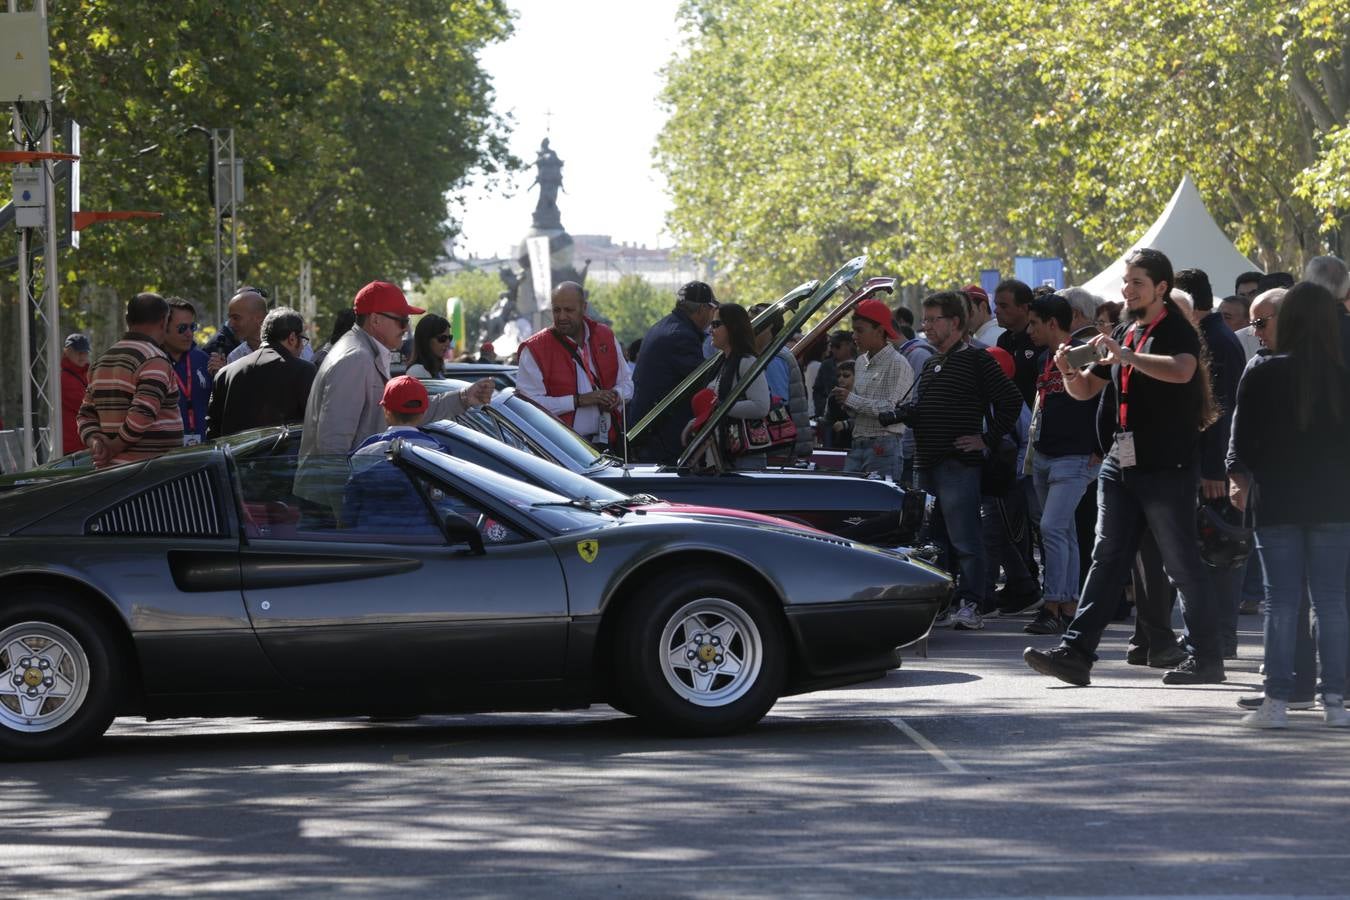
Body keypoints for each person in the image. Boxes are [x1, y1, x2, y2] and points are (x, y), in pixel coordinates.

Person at [1023, 248, 1225, 686]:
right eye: (1126, 281)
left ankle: (1206, 656)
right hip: (1120, 462)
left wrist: (1126, 356)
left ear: (1161, 288)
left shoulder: (1174, 328)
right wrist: (1068, 372)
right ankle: (1076, 653)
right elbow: (1086, 391)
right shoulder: (1123, 329)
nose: (1127, 289)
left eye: (1137, 282)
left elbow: (1183, 371)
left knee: (1181, 565)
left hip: (1166, 465)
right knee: (1107, 557)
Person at [1231, 282, 1350, 728]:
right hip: (1334, 501)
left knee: (1280, 602)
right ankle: (1334, 699)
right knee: (1331, 602)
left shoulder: (1263, 371)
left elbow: (1244, 444)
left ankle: (1277, 701)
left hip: (1278, 498)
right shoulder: (1342, 375)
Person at [295, 281, 494, 514]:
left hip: (340, 501)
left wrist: (464, 397)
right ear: (375, 320)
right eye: (401, 320)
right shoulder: (356, 358)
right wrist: (344, 511)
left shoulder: (362, 351)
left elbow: (406, 412)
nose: (407, 328)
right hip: (331, 506)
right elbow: (333, 444)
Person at [904, 290, 1023, 630]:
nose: (927, 326)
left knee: (966, 539)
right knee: (934, 540)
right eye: (924, 320)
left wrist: (985, 439)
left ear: (954, 322)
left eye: (933, 320)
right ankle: (943, 603)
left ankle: (973, 603)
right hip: (926, 463)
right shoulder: (931, 364)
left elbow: (1011, 400)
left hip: (958, 465)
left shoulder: (977, 359)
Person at [1023, 294, 1100, 636]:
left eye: (1034, 323)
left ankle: (1052, 604)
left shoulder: (1084, 351)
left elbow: (1104, 396)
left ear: (1052, 323)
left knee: (1052, 528)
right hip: (1045, 454)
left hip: (1075, 456)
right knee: (1063, 531)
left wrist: (1100, 446)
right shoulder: (1044, 358)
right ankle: (1068, 605)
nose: (1029, 330)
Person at [517, 282, 633, 447]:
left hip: (609, 442)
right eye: (556, 310)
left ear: (584, 308)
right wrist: (578, 400)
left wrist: (616, 395)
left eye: (569, 310)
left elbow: (628, 383)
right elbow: (527, 405)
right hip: (561, 449)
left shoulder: (605, 335)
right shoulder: (534, 348)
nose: (562, 317)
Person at [76, 292, 183, 467]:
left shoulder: (102, 361)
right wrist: (113, 448)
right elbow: (142, 413)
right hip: (151, 472)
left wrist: (96, 443)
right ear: (164, 321)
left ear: (127, 320)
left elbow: (85, 415)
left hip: (111, 471)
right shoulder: (154, 360)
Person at [629, 280, 720, 463]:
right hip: (663, 438)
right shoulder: (681, 336)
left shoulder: (666, 326)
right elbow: (704, 380)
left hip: (650, 431)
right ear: (702, 309)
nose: (713, 317)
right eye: (712, 309)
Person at [342, 376, 445, 535]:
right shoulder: (437, 454)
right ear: (423, 412)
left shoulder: (363, 454)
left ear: (386, 410)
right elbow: (444, 507)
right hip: (424, 540)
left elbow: (349, 510)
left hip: (369, 541)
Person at [833, 298, 914, 481]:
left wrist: (851, 399)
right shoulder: (860, 362)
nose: (854, 336)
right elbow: (861, 409)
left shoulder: (898, 363)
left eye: (860, 330)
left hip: (883, 447)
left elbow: (890, 410)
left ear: (879, 331)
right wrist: (845, 402)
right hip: (857, 443)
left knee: (877, 499)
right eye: (854, 330)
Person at [207, 306, 316, 439]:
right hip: (284, 452)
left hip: (235, 452)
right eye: (303, 340)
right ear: (292, 338)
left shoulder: (224, 374)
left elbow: (212, 432)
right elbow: (314, 425)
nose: (303, 346)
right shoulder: (304, 371)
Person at [693, 303, 770, 470]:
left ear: (732, 327)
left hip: (744, 459)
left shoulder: (746, 361)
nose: (710, 330)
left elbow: (761, 406)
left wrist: (719, 409)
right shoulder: (720, 363)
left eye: (715, 324)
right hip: (723, 456)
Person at [749, 303, 813, 462]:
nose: (750, 326)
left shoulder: (774, 358)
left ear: (769, 327)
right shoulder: (768, 354)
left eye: (755, 321)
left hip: (776, 443)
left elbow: (777, 403)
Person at [162, 297, 212, 445]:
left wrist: (222, 376)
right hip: (168, 452)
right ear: (163, 327)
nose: (189, 334)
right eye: (182, 328)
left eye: (192, 327)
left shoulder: (203, 360)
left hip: (203, 449)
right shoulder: (152, 363)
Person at [994, 279, 1039, 405]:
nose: (996, 310)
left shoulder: (1040, 338)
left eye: (1003, 306)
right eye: (996, 305)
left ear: (1024, 308)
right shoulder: (1003, 341)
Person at [813, 330, 855, 438]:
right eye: (831, 346)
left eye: (837, 346)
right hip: (831, 417)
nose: (833, 349)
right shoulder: (826, 365)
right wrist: (822, 409)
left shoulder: (861, 362)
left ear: (848, 345)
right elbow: (818, 390)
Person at [59, 334, 91, 456]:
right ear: (66, 352)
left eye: (85, 352)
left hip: (85, 442)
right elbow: (86, 405)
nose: (82, 356)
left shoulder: (88, 374)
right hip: (73, 447)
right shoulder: (64, 378)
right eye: (78, 352)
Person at [406, 313, 453, 379]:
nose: (448, 344)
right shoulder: (417, 371)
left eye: (450, 338)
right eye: (442, 338)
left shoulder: (436, 370)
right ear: (426, 340)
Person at [823, 360, 855, 449]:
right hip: (837, 445)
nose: (841, 379)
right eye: (838, 376)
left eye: (846, 376)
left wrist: (845, 424)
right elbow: (828, 422)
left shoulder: (863, 396)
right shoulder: (833, 398)